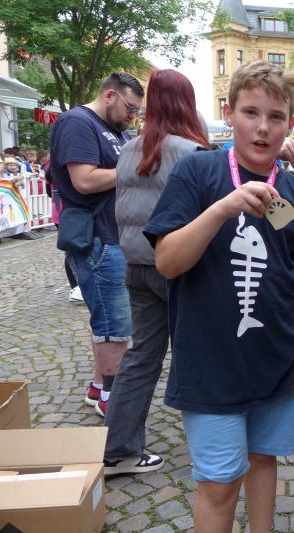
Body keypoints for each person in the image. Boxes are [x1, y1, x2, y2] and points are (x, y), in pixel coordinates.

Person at [144, 60, 294, 532]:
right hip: (211, 365)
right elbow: (167, 261)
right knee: (220, 483)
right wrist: (220, 210)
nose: (263, 127)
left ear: (290, 123)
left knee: (264, 462)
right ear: (229, 112)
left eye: (276, 117)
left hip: (276, 361)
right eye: (250, 113)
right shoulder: (198, 172)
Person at [104, 69, 211, 476]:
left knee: (141, 357)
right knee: (199, 354)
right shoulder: (193, 152)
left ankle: (118, 449)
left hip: (136, 264)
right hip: (177, 268)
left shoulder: (129, 149)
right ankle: (212, 444)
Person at [50, 72, 143, 416]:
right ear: (110, 96)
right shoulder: (77, 122)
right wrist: (138, 169)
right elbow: (85, 180)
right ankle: (112, 400)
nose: (133, 117)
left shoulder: (114, 129)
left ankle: (98, 386)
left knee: (108, 319)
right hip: (98, 239)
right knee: (114, 326)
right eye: (130, 108)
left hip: (111, 235)